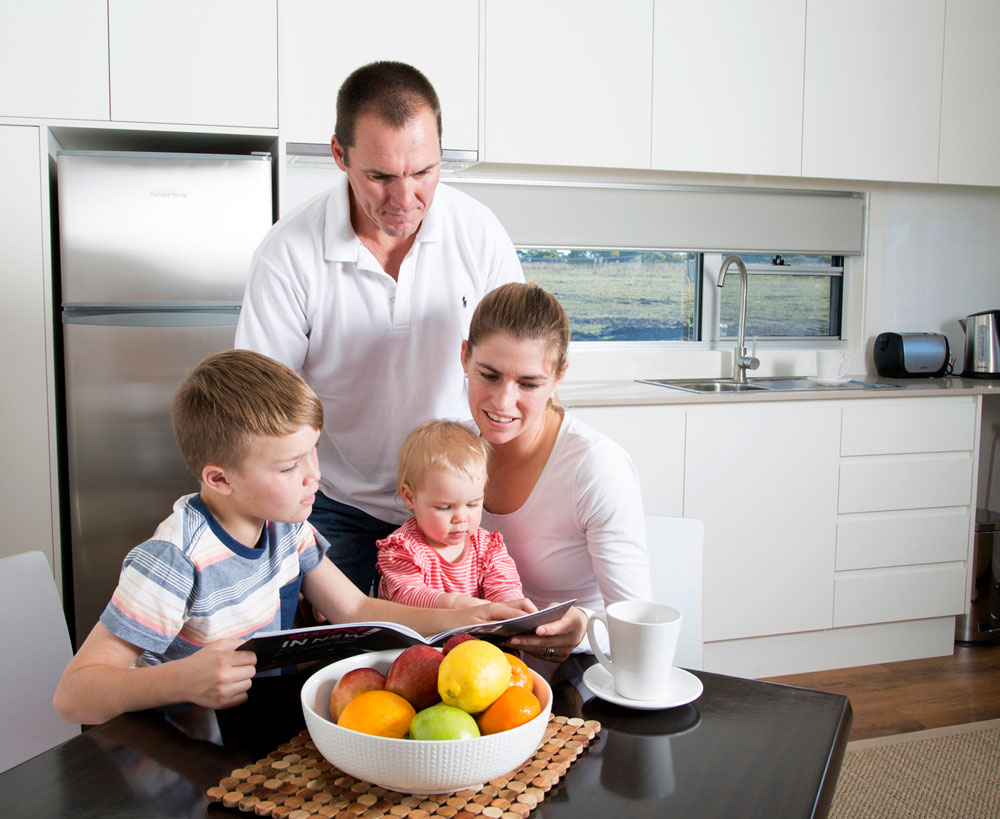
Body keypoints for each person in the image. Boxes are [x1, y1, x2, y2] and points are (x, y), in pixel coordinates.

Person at [52, 350, 532, 726]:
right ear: (220, 479)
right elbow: (74, 695)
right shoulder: (175, 558)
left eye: (313, 451)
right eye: (288, 467)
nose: (313, 475)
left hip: (251, 730)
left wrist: (468, 616)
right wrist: (179, 680)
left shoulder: (285, 525)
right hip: (177, 747)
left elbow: (355, 609)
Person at [235, 61, 524, 595]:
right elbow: (262, 411)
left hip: (455, 506)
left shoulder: (479, 234)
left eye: (423, 172)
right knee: (338, 642)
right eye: (381, 176)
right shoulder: (288, 254)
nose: (404, 199)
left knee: (462, 644)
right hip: (338, 504)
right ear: (340, 155)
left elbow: (519, 368)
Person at [460, 282, 653, 663]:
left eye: (529, 383)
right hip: (478, 664)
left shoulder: (594, 466)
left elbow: (636, 622)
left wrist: (584, 628)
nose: (503, 402)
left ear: (559, 376)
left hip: (579, 667)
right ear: (465, 357)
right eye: (490, 375)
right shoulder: (453, 453)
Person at [376, 419, 525, 608]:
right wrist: (458, 605)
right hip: (417, 628)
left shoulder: (487, 548)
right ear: (409, 497)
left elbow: (504, 587)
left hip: (473, 627)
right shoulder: (402, 549)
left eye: (472, 504)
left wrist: (510, 607)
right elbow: (407, 595)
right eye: (445, 507)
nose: (461, 518)